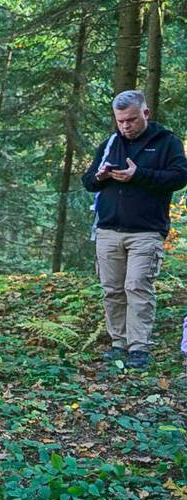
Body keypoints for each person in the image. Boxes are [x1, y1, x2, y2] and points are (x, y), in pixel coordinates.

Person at [82, 90, 187, 370]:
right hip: (108, 230)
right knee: (112, 290)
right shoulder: (110, 143)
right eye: (120, 121)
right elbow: (88, 181)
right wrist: (100, 176)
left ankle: (139, 348)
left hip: (146, 231)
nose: (126, 126)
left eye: (131, 120)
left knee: (138, 286)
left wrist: (138, 175)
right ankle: (118, 344)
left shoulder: (166, 142)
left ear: (146, 114)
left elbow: (180, 177)